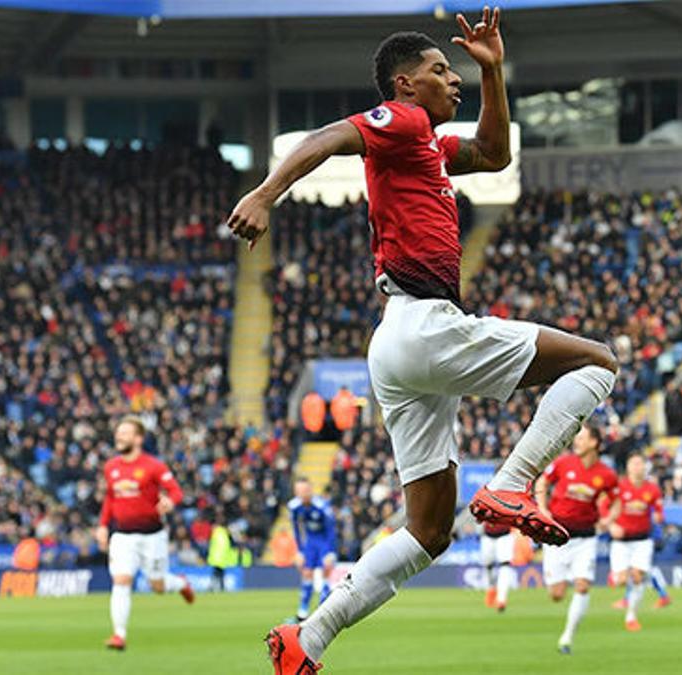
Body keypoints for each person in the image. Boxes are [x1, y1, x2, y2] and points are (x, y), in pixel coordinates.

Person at [229, 8, 618, 673]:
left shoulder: (428, 149)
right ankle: (515, 482)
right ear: (405, 85)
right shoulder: (401, 121)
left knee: (429, 531)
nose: (454, 80)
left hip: (398, 346)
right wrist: (266, 193)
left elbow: (496, 153)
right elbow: (328, 136)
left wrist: (493, 70)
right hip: (426, 325)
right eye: (443, 71)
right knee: (598, 363)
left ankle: (308, 637)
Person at [95, 416, 195, 651]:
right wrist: (102, 525)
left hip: (153, 535)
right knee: (121, 580)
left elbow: (176, 491)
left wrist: (170, 501)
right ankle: (119, 635)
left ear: (138, 439)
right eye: (118, 432)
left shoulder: (154, 466)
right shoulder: (111, 467)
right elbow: (110, 498)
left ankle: (180, 583)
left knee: (157, 586)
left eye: (125, 432)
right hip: (122, 535)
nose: (119, 436)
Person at [535, 425, 618, 655]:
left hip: (586, 538)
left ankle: (567, 637)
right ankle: (565, 616)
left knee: (582, 585)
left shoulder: (607, 475)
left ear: (594, 443)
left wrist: (608, 519)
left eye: (581, 438)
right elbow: (542, 482)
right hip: (557, 536)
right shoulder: (563, 463)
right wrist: (542, 508)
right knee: (557, 595)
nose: (576, 442)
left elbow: (616, 499)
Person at [607, 453, 666, 632]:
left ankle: (631, 616)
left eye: (640, 463)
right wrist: (610, 525)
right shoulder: (618, 487)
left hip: (642, 540)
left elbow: (659, 510)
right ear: (628, 467)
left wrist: (658, 516)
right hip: (621, 541)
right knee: (621, 581)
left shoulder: (653, 489)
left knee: (638, 576)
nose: (637, 467)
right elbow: (604, 506)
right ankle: (616, 576)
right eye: (634, 463)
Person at [288, 478, 338, 621]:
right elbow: (297, 529)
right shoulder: (294, 507)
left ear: (310, 490)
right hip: (310, 542)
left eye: (304, 490)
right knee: (306, 573)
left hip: (323, 541)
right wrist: (300, 550)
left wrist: (330, 551)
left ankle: (324, 611)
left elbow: (330, 530)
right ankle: (302, 613)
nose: (301, 493)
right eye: (298, 491)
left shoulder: (322, 506)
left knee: (326, 572)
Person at [479, 521, 514, 612]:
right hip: (487, 535)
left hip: (505, 535)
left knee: (505, 565)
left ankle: (501, 599)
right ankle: (491, 588)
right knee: (488, 565)